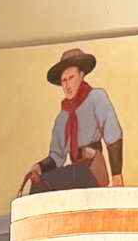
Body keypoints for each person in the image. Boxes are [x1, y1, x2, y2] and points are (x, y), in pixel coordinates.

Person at [23, 48, 124, 192]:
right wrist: (39, 167)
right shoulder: (62, 118)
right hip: (76, 171)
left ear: (81, 75)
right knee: (40, 182)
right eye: (64, 81)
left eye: (71, 78)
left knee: (54, 180)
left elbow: (113, 135)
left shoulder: (96, 98)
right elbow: (56, 157)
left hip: (92, 168)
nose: (68, 86)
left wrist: (117, 176)